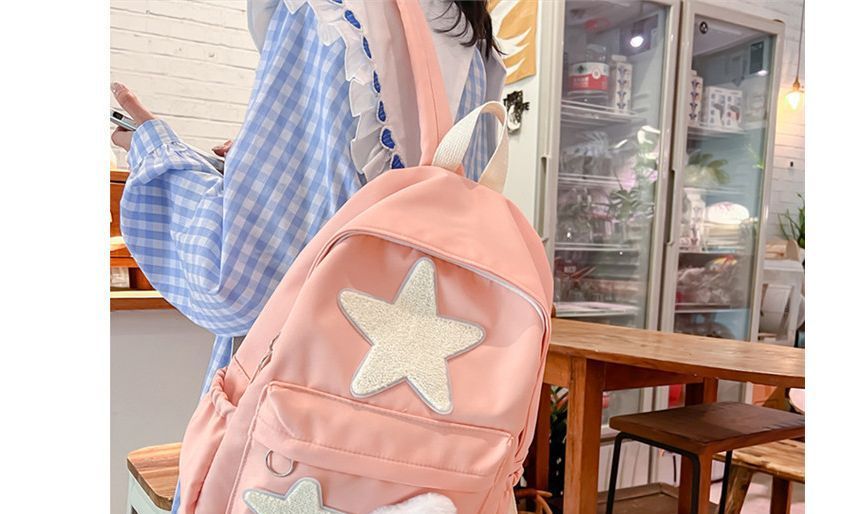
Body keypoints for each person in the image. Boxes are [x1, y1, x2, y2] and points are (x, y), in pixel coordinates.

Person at [111, 1, 504, 512]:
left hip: (301, 430)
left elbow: (232, 279)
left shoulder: (327, 12)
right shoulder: (474, 40)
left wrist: (154, 150)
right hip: (419, 440)